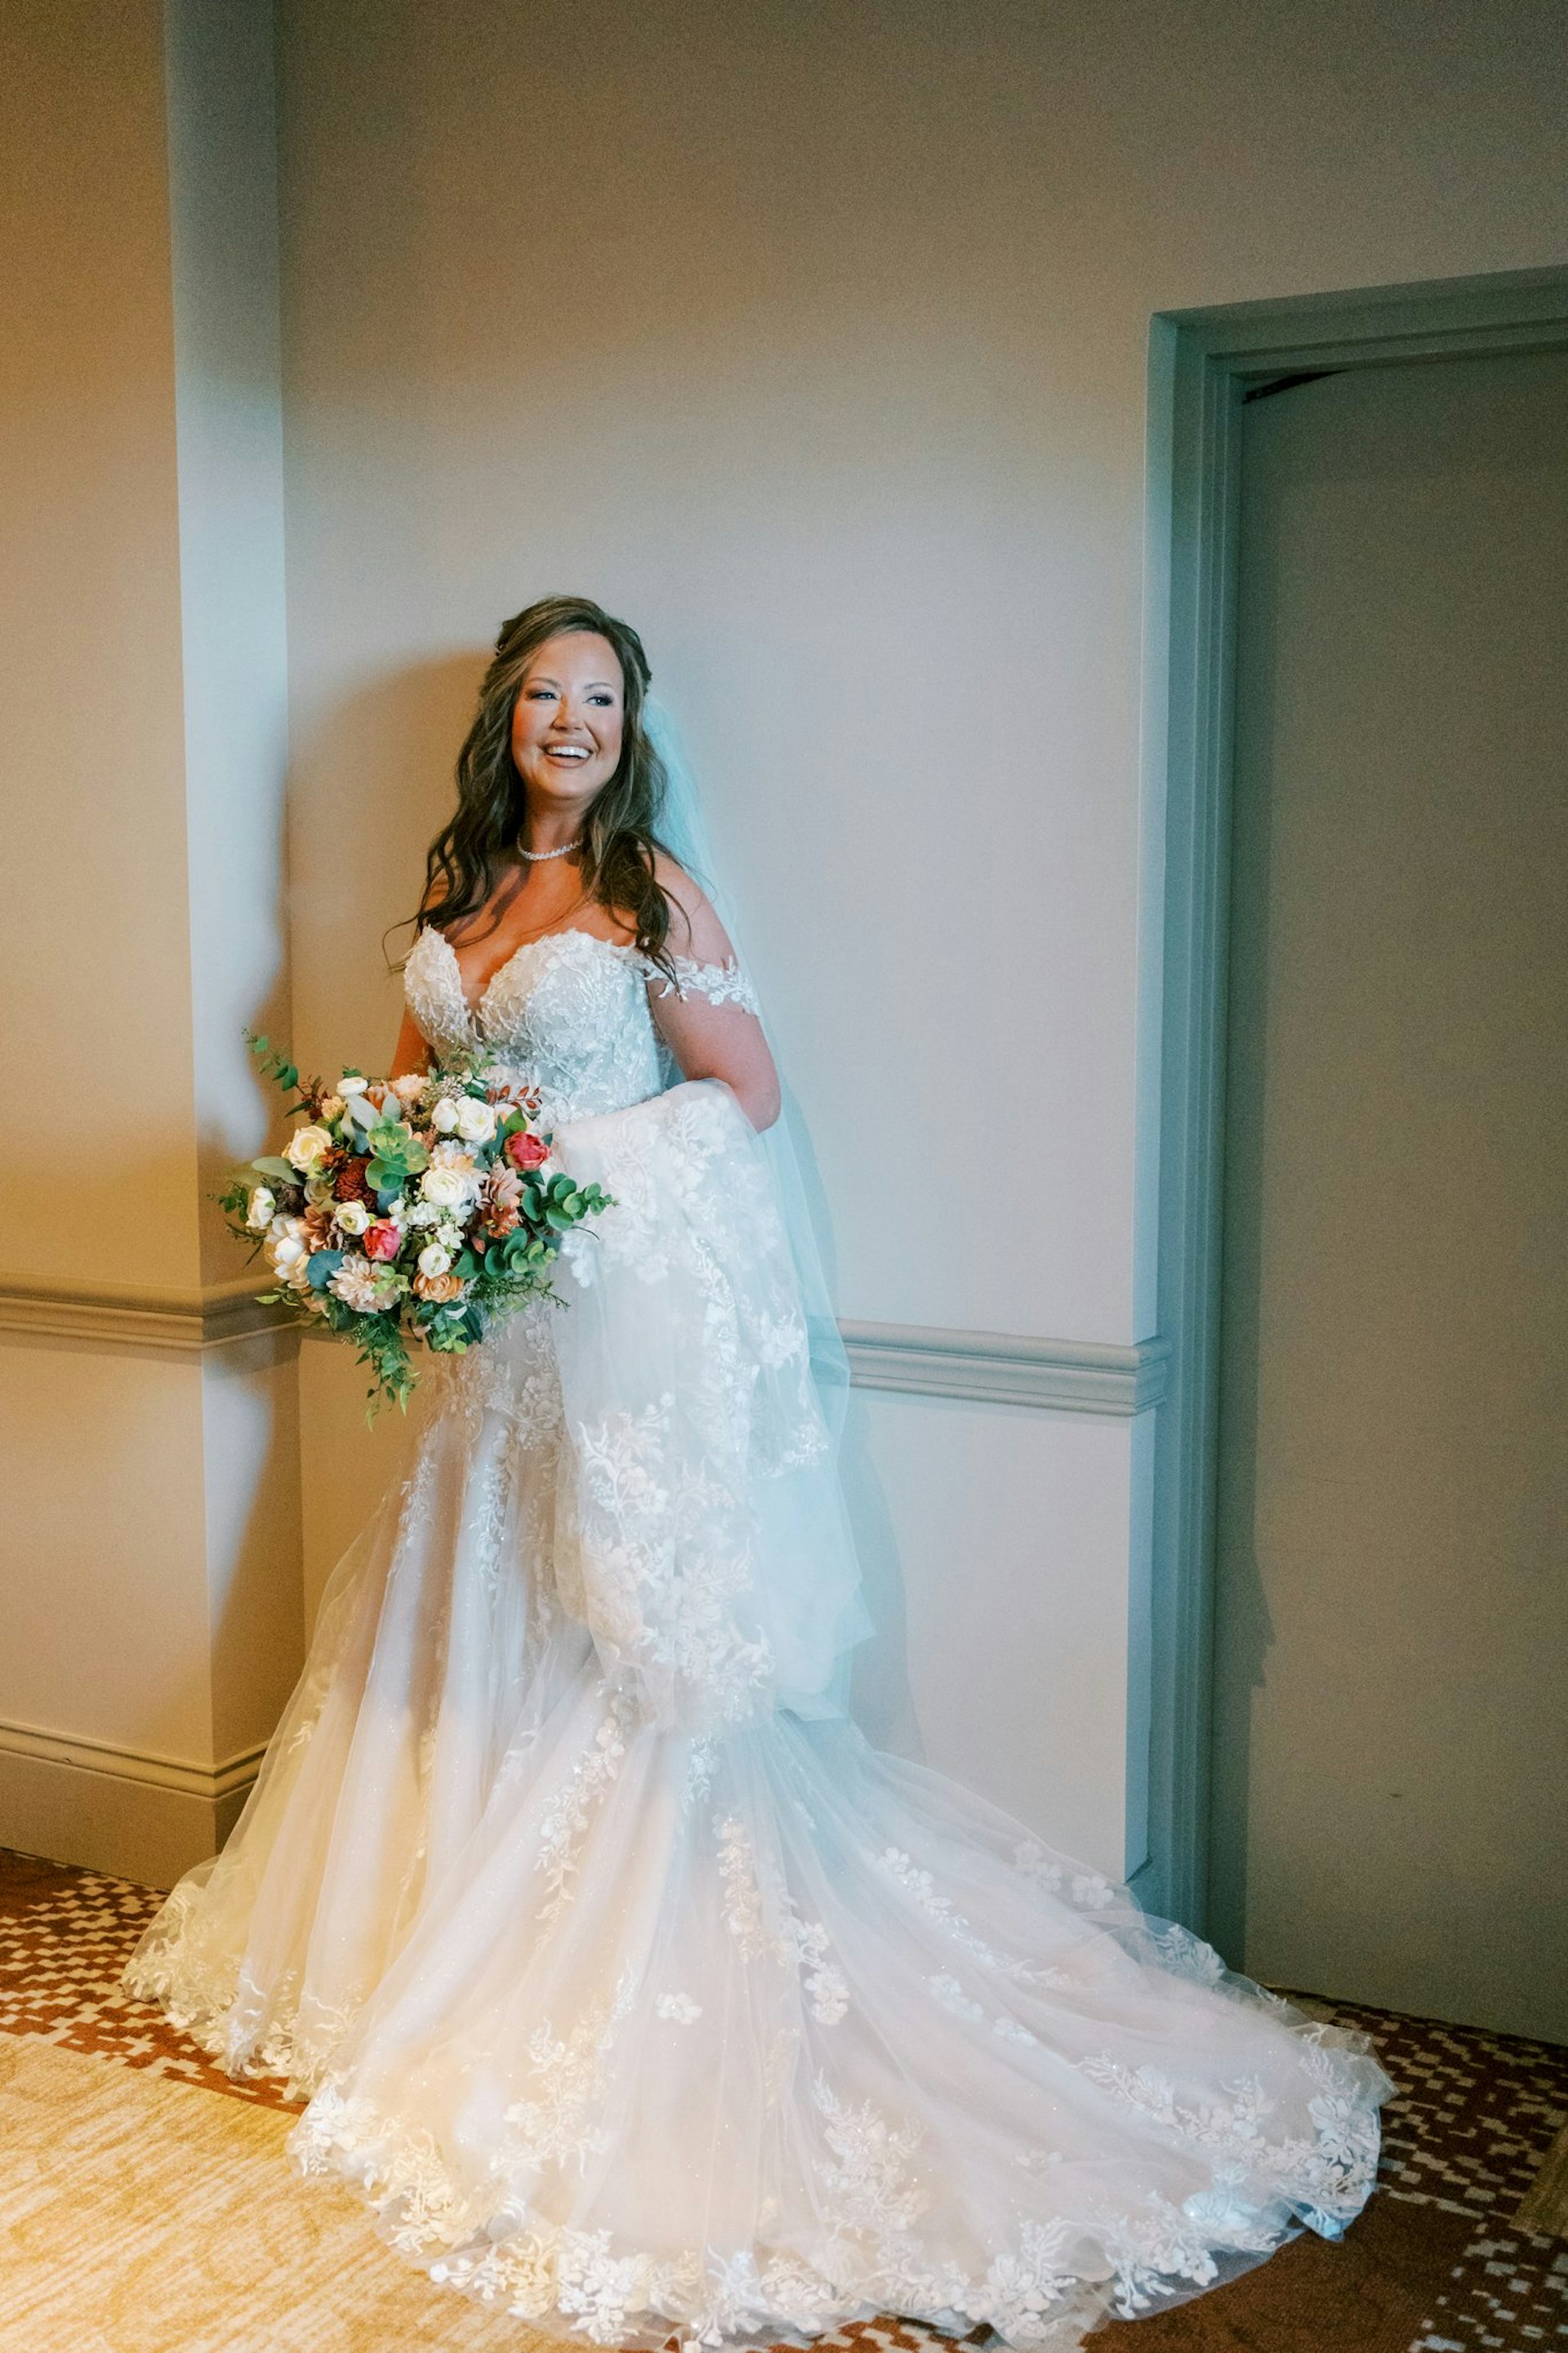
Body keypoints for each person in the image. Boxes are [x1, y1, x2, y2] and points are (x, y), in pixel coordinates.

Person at [124, 595, 1392, 2352]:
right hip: (496, 1353)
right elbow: (415, 1094)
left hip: (610, 1338)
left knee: (618, 1645)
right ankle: (429, 1943)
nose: (575, 721)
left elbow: (748, 1095)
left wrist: (548, 1173)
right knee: (467, 1625)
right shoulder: (454, 896)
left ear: (629, 728)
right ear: (504, 719)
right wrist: (380, 1192)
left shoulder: (655, 894)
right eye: (549, 695)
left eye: (604, 699)